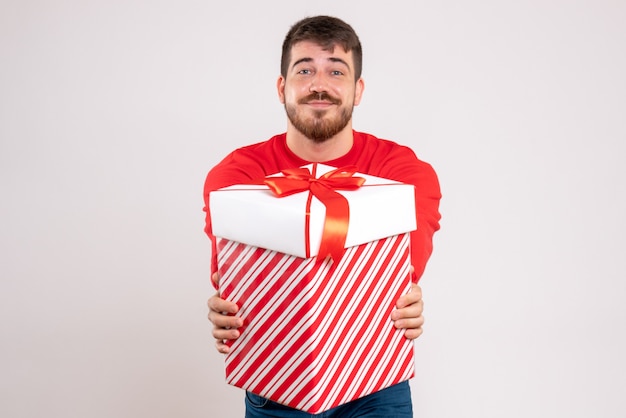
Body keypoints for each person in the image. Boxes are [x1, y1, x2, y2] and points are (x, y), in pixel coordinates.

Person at [203, 15, 441, 418]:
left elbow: (400, 277)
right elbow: (232, 278)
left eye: (336, 71)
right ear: (282, 87)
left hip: (375, 380)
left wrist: (407, 298)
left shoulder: (403, 174)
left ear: (357, 89)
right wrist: (227, 307)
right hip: (276, 379)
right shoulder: (236, 177)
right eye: (304, 70)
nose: (319, 84)